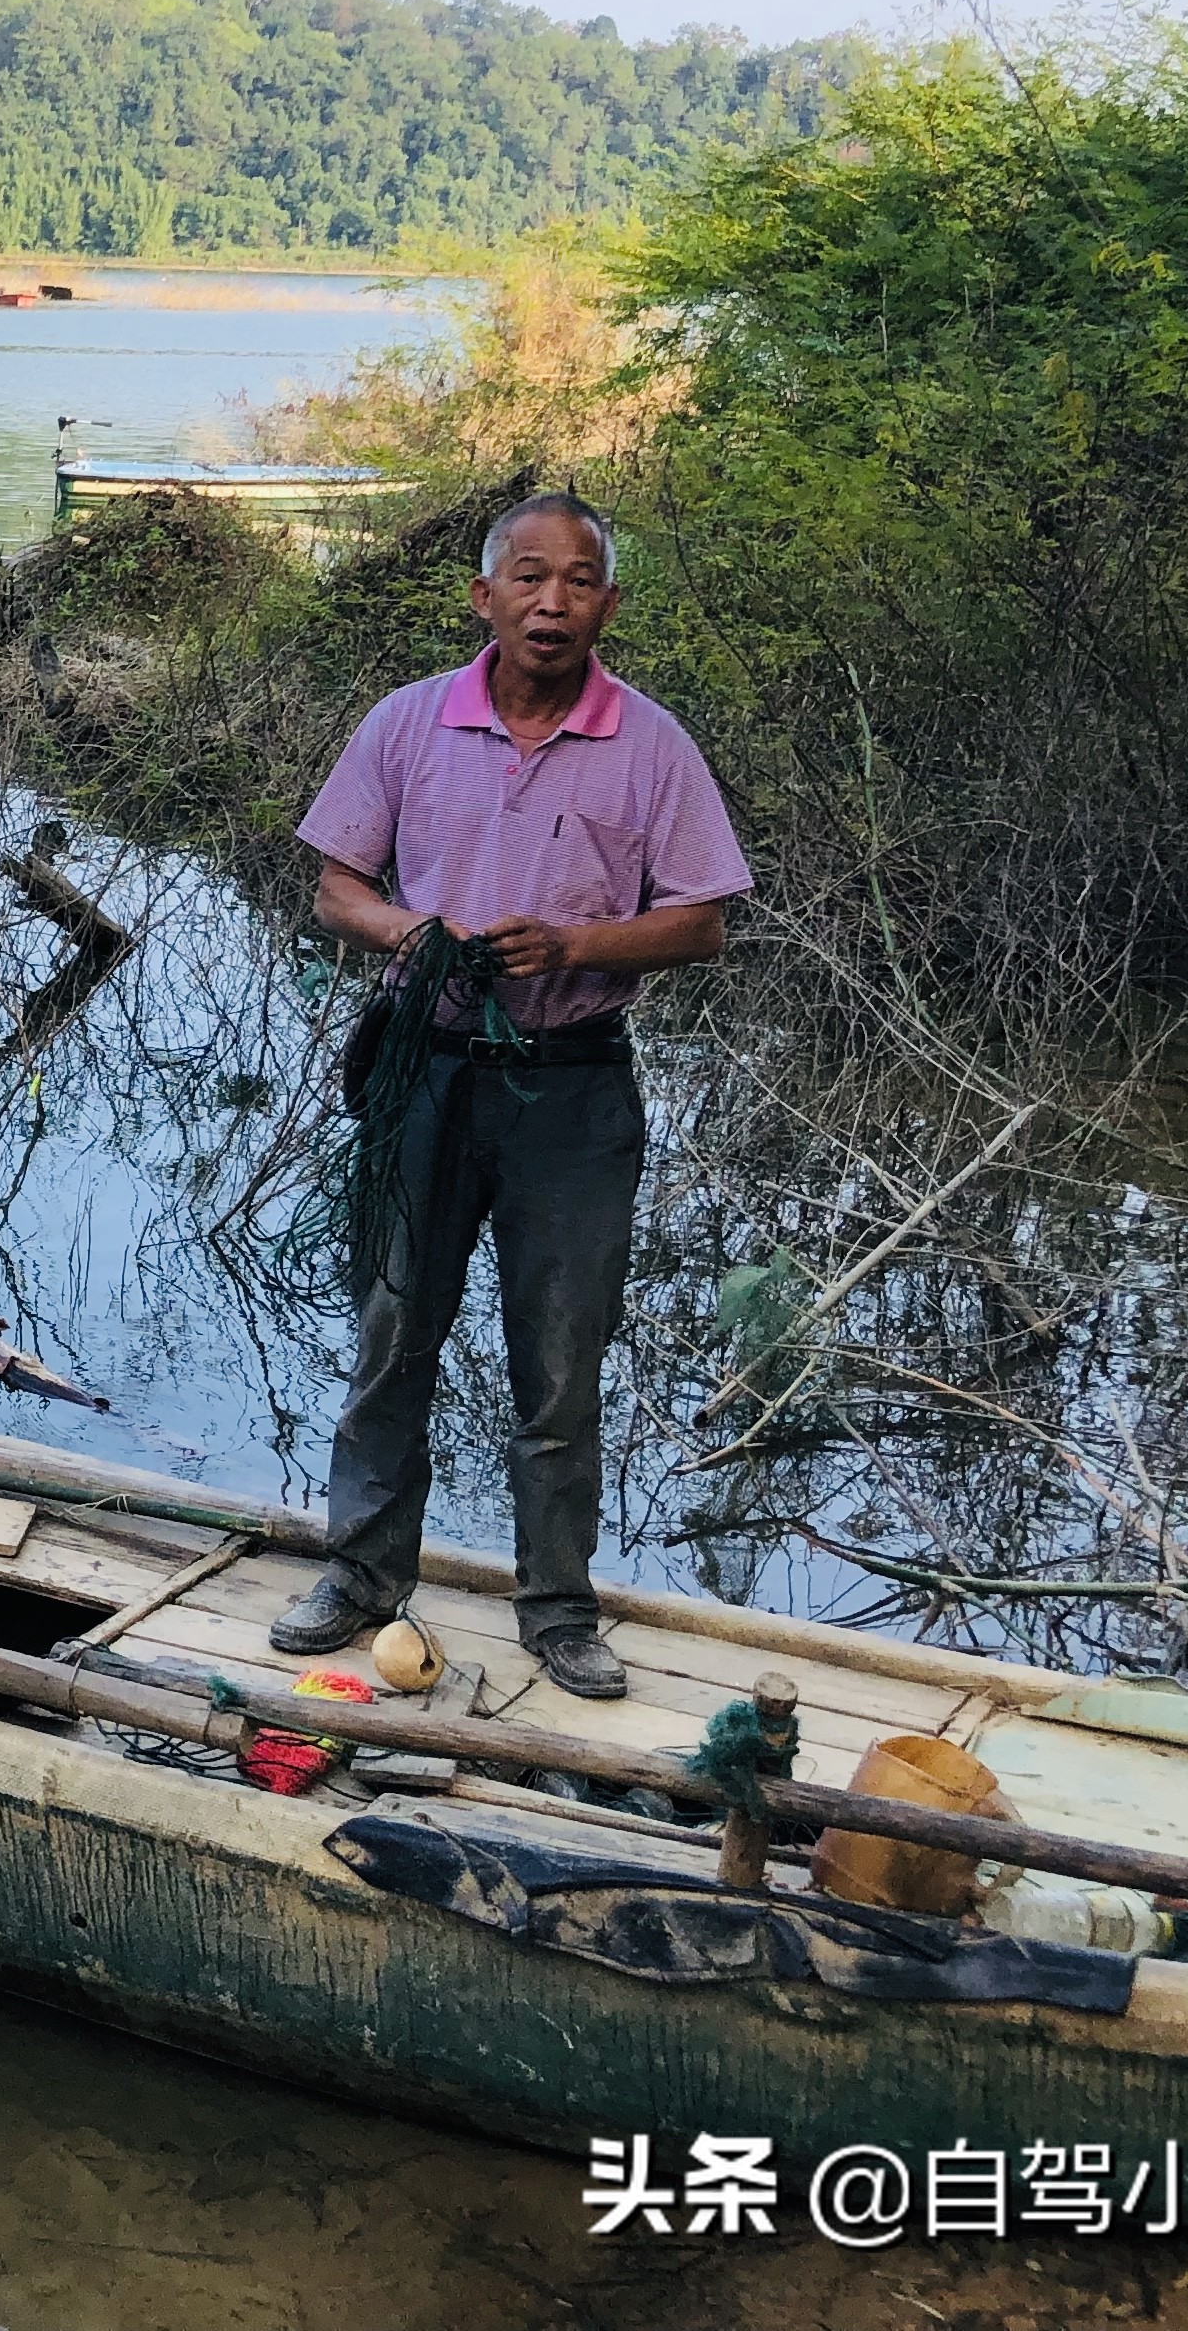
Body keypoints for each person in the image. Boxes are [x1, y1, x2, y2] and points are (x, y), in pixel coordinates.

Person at [268, 490, 749, 1702]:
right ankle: (362, 1575)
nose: (552, 601)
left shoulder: (651, 744)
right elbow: (339, 890)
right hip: (422, 1079)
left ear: (608, 606)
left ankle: (557, 1610)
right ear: (483, 596)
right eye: (528, 578)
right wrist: (415, 931)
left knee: (560, 1355)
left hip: (573, 1093)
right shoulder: (409, 721)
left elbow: (704, 921)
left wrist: (578, 947)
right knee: (392, 1335)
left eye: (578, 581)